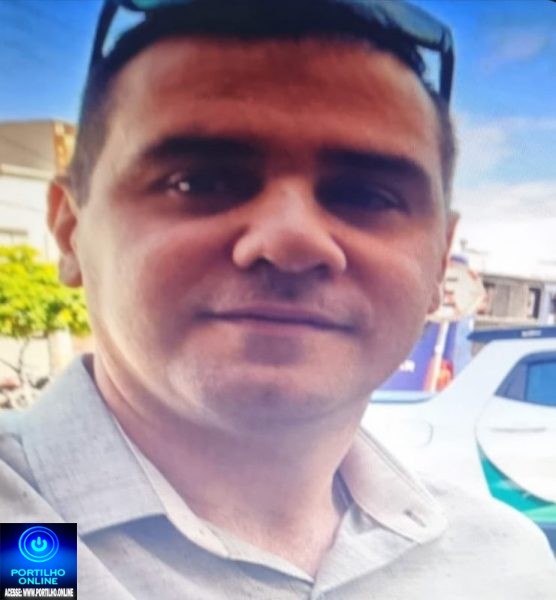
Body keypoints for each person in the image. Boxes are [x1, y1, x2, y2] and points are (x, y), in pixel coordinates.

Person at [1, 0, 554, 598]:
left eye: (367, 195)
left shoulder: (507, 566)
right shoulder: (25, 545)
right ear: (69, 230)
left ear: (441, 259)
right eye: (199, 181)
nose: (293, 240)